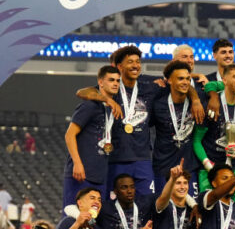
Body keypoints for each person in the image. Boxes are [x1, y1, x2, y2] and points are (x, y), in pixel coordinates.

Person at [76, 46, 204, 195]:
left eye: (137, 61)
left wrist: (195, 98)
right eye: (130, 62)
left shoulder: (149, 85)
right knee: (114, 202)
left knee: (147, 202)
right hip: (115, 157)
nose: (135, 65)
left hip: (142, 158)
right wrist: (107, 100)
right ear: (119, 66)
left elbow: (177, 80)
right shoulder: (114, 87)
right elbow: (82, 92)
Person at [63, 66, 121, 206]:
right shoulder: (90, 106)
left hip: (100, 175)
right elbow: (69, 135)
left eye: (118, 81)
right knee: (73, 216)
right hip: (81, 174)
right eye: (111, 80)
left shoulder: (111, 108)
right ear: (100, 82)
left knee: (93, 221)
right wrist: (77, 163)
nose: (115, 84)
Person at [194, 64, 235, 192]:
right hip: (210, 168)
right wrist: (207, 164)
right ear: (224, 80)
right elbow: (197, 140)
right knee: (209, 208)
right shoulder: (210, 104)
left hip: (234, 168)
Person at [150, 61, 200, 194]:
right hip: (163, 167)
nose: (185, 82)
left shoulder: (198, 103)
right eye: (180, 78)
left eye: (188, 78)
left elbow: (218, 87)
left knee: (190, 211)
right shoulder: (158, 104)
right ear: (169, 80)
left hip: (189, 168)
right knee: (162, 209)